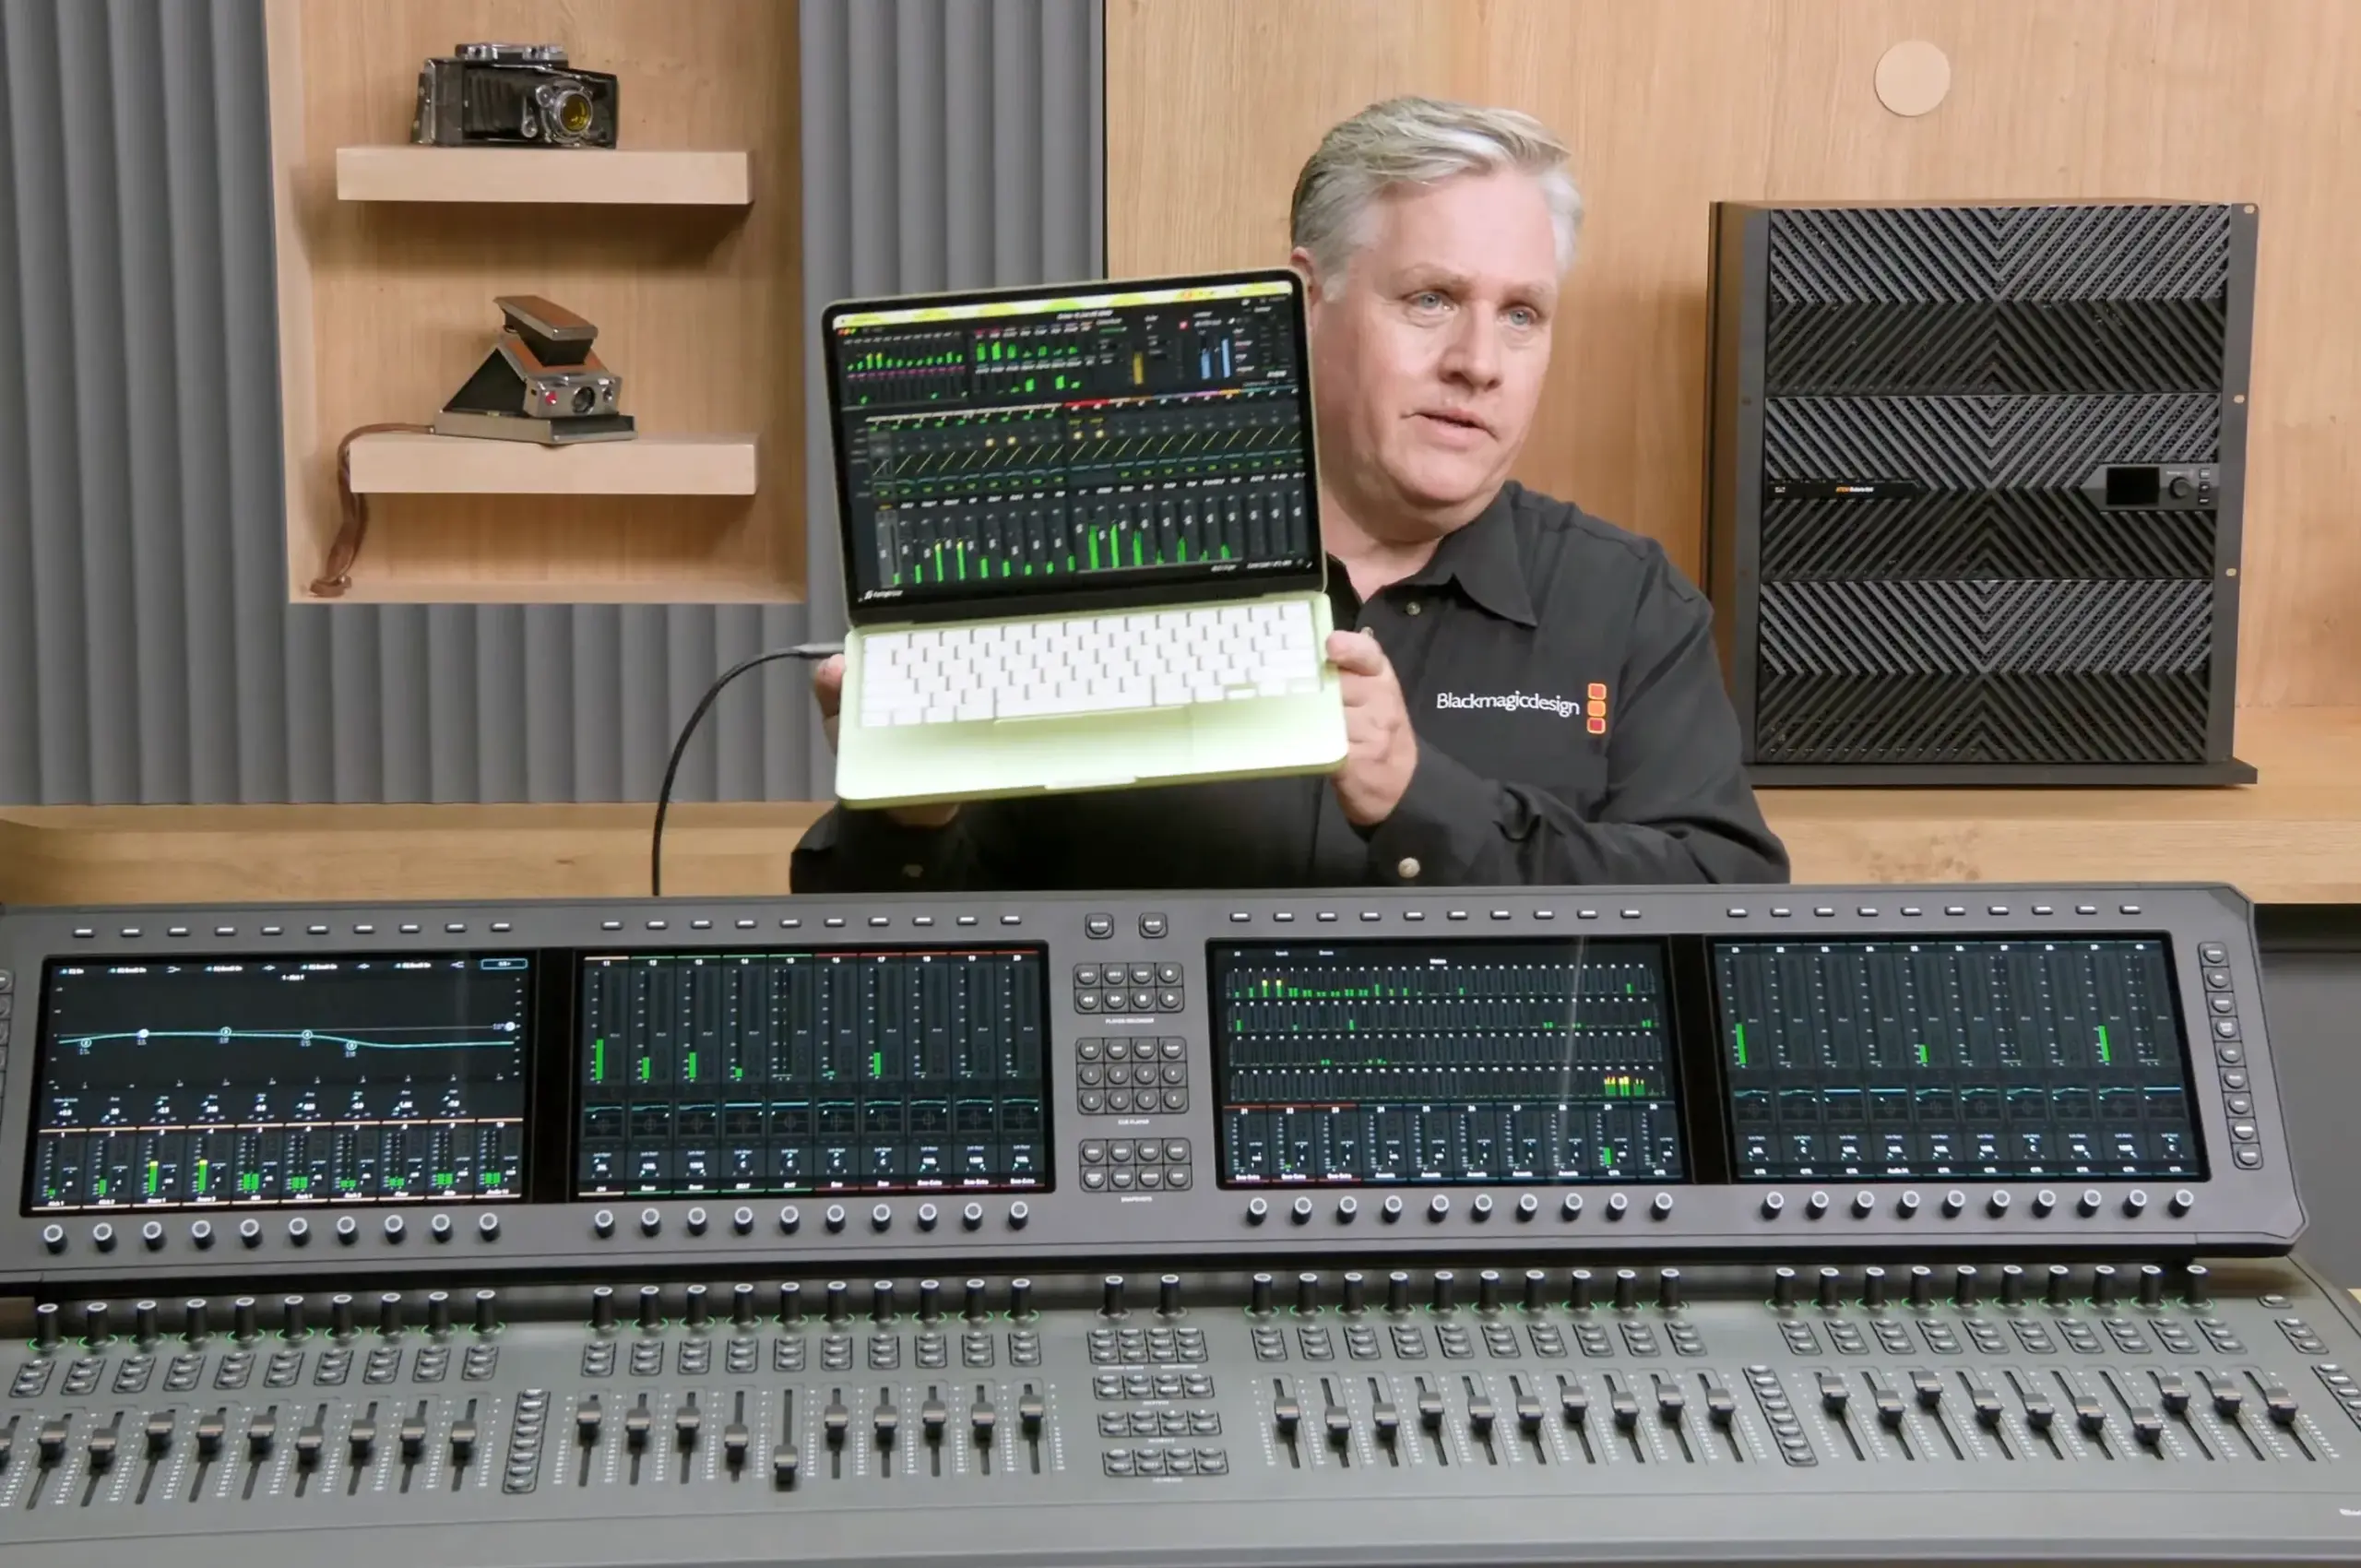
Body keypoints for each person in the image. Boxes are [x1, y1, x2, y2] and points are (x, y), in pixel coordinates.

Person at [792, 96, 1788, 893]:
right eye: (1431, 299)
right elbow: (896, 968)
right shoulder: (1082, 559)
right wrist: (906, 816)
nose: (1479, 362)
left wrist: (1424, 802)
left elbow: (1726, 902)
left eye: (1521, 314)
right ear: (1307, 299)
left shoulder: (1626, 603)